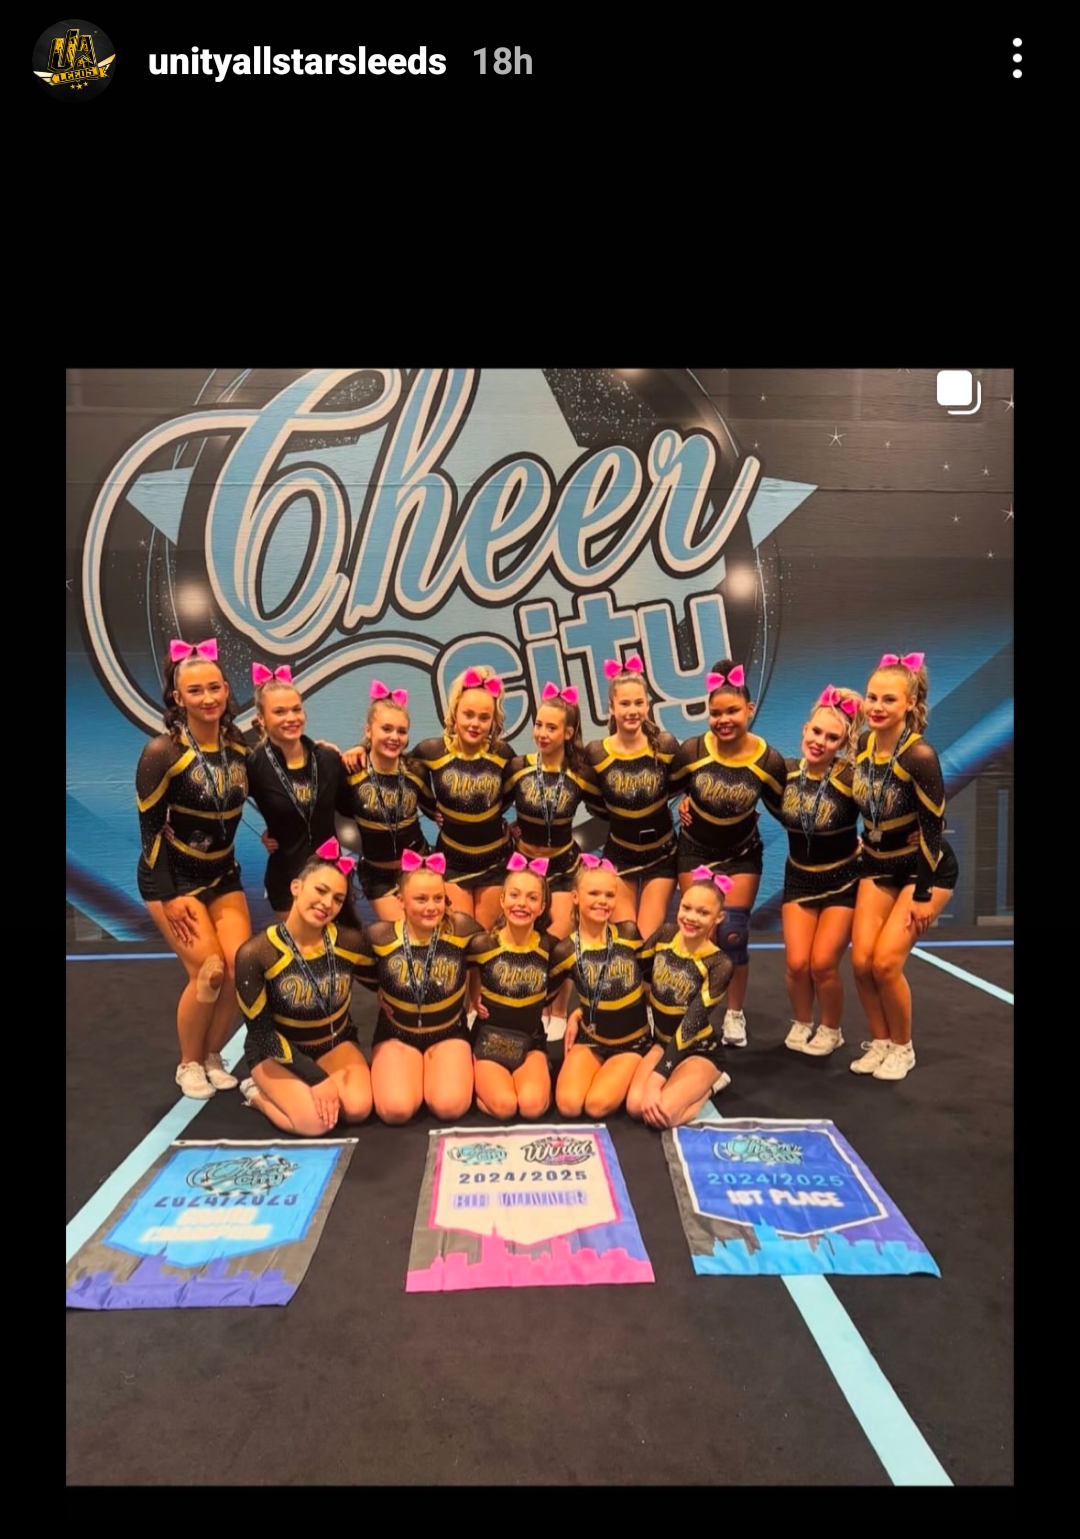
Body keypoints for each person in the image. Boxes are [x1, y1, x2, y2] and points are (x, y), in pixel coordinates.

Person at [135, 639, 252, 1100]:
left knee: (240, 968)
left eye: (215, 688)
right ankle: (188, 1063)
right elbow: (149, 832)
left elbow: (280, 775)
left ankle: (212, 1055)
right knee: (209, 970)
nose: (208, 698)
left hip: (222, 874)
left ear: (226, 690)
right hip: (172, 878)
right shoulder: (162, 752)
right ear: (177, 697)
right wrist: (169, 895)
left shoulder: (238, 745)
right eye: (196, 690)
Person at [849, 652, 959, 1081]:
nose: (876, 707)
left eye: (889, 699)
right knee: (861, 962)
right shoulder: (863, 744)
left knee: (885, 963)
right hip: (878, 865)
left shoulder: (920, 755)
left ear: (910, 703)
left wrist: (924, 894)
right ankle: (879, 1041)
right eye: (872, 697)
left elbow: (932, 828)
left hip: (923, 869)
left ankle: (902, 1047)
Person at [343, 666, 514, 930]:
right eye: (468, 714)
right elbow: (390, 755)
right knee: (458, 936)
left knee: (486, 939)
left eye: (484, 717)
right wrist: (361, 747)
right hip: (452, 863)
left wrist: (514, 825)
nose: (475, 723)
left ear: (493, 720)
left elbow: (511, 797)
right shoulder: (430, 752)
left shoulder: (503, 754)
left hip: (495, 861)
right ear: (454, 712)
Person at [672, 661, 786, 1049]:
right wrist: (681, 802)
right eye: (716, 713)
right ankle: (688, 1010)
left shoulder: (768, 760)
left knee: (732, 933)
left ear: (749, 710)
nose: (723, 720)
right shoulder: (692, 751)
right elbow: (662, 790)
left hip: (741, 855)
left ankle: (734, 1013)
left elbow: (788, 810)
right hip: (695, 851)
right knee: (696, 931)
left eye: (732, 711)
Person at [234, 843, 374, 1133]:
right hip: (276, 1051)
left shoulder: (349, 942)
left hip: (333, 1041)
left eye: (337, 899)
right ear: (296, 887)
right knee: (316, 1123)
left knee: (358, 1109)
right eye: (320, 890)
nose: (327, 903)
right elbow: (262, 1034)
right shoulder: (255, 954)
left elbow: (383, 980)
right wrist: (317, 1078)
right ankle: (257, 1095)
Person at [759, 686, 864, 1058]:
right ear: (805, 729)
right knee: (796, 963)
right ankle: (802, 1021)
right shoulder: (785, 772)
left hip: (842, 880)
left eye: (832, 737)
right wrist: (689, 806)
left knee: (822, 964)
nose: (820, 741)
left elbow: (885, 810)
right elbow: (742, 783)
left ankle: (831, 1029)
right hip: (800, 878)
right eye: (816, 732)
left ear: (843, 743)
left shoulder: (850, 778)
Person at [364, 851, 483, 1122]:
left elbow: (488, 957)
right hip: (397, 1033)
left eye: (438, 898)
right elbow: (360, 968)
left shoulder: (461, 929)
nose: (431, 907)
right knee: (395, 1110)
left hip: (448, 1031)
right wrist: (380, 988)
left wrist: (477, 993)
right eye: (421, 899)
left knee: (450, 1107)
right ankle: (411, 1068)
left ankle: (436, 1070)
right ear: (401, 901)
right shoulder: (380, 937)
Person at [627, 869, 735, 1128]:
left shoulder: (719, 964)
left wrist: (656, 1080)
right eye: (687, 907)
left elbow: (689, 1025)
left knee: (660, 1116)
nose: (691, 917)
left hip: (698, 1049)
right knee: (635, 1106)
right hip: (662, 1042)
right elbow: (632, 972)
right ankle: (679, 1082)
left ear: (719, 917)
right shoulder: (665, 936)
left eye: (703, 913)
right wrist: (582, 1012)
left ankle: (714, 1083)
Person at [548, 856, 654, 1118]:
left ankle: (634, 1070)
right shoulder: (565, 950)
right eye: (593, 893)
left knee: (596, 1105)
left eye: (609, 895)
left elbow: (651, 982)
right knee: (569, 1105)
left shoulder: (628, 934)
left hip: (632, 1042)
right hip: (591, 1039)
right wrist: (577, 1014)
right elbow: (539, 998)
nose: (602, 901)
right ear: (575, 897)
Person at [584, 654, 681, 940]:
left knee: (647, 938)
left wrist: (688, 803)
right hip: (620, 854)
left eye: (639, 703)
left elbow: (682, 785)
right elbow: (596, 805)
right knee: (626, 937)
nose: (632, 711)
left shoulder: (665, 745)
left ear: (648, 705)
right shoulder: (597, 753)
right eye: (625, 704)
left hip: (662, 854)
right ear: (611, 707)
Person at [244, 665, 348, 917]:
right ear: (261, 718)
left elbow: (353, 808)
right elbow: (223, 804)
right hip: (287, 881)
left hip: (332, 878)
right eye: (279, 711)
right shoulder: (254, 766)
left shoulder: (327, 758)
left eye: (296, 709)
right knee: (300, 943)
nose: (291, 718)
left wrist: (362, 752)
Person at [502, 683, 606, 938]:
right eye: (538, 725)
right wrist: (508, 829)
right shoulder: (517, 767)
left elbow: (608, 812)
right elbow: (493, 809)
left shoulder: (580, 774)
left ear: (568, 733)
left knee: (555, 941)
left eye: (551, 727)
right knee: (519, 939)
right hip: (523, 864)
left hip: (563, 867)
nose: (542, 734)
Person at [466, 855, 559, 1120]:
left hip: (530, 1042)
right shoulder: (482, 944)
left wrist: (575, 1014)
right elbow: (462, 968)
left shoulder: (550, 947)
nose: (522, 904)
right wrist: (473, 995)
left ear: (542, 907)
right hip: (489, 1041)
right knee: (505, 1107)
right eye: (514, 895)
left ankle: (535, 1074)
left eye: (532, 898)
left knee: (531, 1107)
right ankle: (477, 1076)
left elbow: (573, 979)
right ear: (502, 900)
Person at [339, 682, 438, 921]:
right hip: (377, 875)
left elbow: (437, 810)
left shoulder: (416, 770)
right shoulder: (351, 772)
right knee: (402, 933)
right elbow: (322, 810)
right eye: (386, 729)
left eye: (401, 731)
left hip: (419, 865)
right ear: (368, 730)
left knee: (428, 930)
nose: (394, 737)